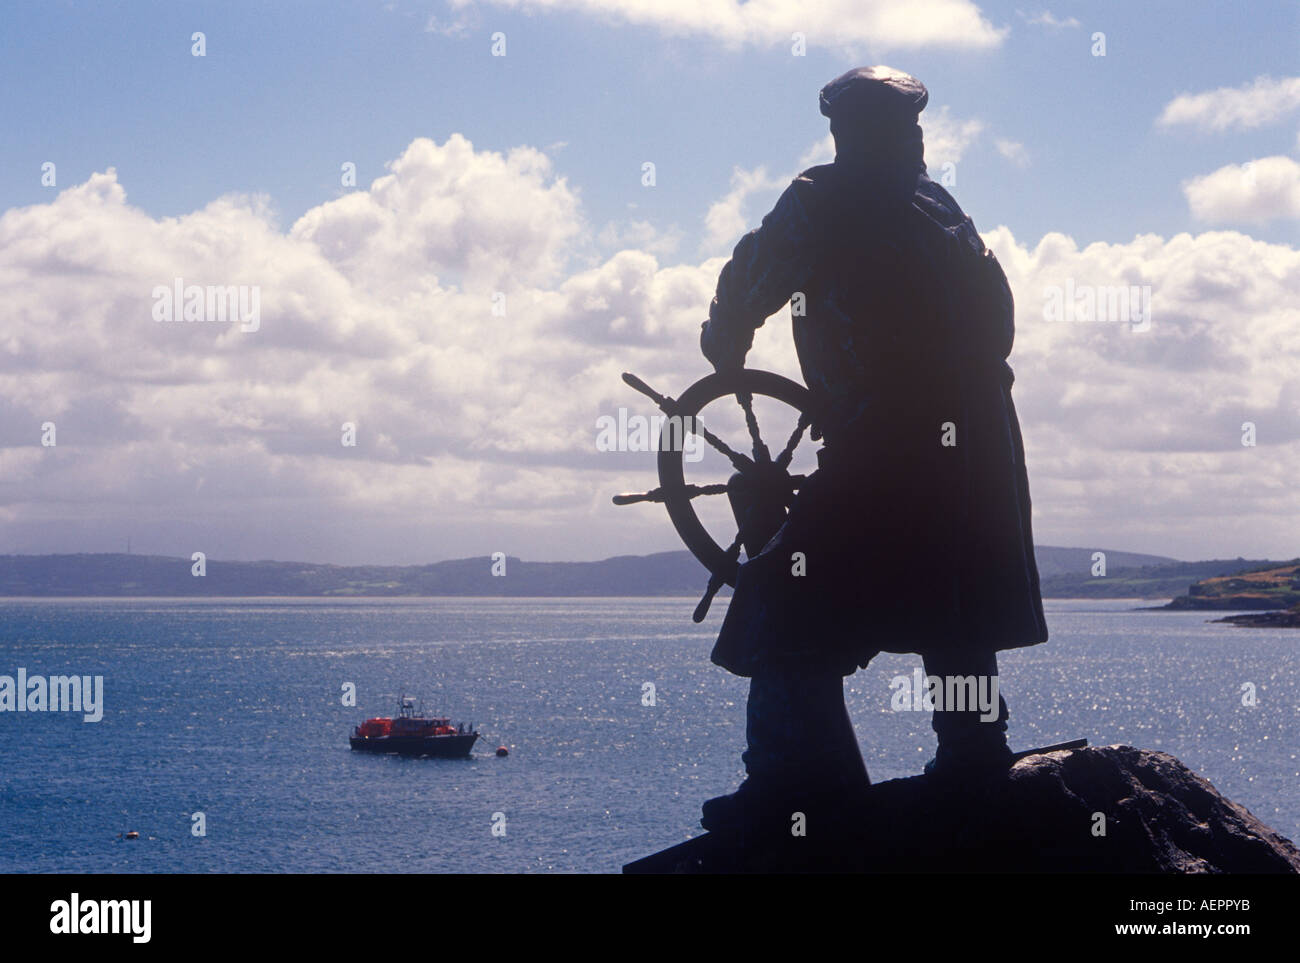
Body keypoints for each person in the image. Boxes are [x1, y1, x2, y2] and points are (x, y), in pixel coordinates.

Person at [697, 66, 1049, 831]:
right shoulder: (942, 207)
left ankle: (794, 780)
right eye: (907, 130)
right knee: (954, 603)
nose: (917, 141)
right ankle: (974, 748)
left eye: (915, 129)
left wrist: (724, 341)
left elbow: (752, 274)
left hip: (889, 441)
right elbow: (1000, 321)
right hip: (979, 442)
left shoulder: (820, 199)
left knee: (781, 596)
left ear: (841, 134)